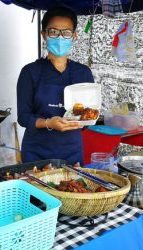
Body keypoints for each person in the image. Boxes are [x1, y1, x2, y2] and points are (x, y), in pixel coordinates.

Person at [17, 6, 95, 165]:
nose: (60, 37)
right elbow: (23, 118)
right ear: (44, 35)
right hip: (36, 152)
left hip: (72, 151)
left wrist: (83, 120)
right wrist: (48, 123)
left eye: (66, 32)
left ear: (74, 36)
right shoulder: (30, 72)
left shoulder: (83, 73)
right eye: (53, 31)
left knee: (72, 188)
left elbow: (90, 115)